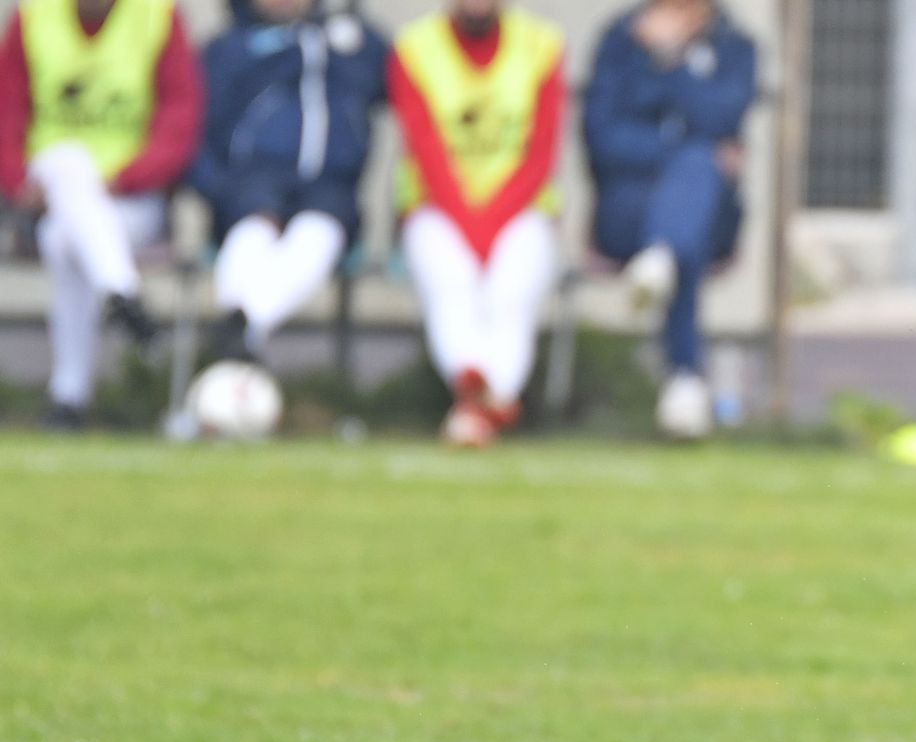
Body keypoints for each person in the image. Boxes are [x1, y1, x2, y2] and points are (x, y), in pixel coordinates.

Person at [0, 0, 200, 427]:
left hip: (130, 203)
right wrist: (20, 184)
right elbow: (7, 113)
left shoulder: (157, 15)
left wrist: (125, 178)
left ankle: (68, 396)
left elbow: (181, 118)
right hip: (46, 194)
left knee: (64, 238)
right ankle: (122, 294)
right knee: (69, 160)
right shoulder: (34, 15)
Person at [388, 0, 563, 447]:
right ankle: (482, 396)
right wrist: (471, 225)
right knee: (453, 281)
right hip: (437, 208)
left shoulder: (542, 46)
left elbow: (540, 154)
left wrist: (492, 222)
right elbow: (425, 150)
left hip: (521, 209)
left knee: (510, 289)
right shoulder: (414, 48)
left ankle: (483, 401)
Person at [583, 0, 753, 438]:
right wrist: (686, 153)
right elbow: (603, 139)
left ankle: (660, 260)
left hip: (712, 221)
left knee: (690, 205)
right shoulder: (620, 41)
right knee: (696, 177)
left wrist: (672, 60)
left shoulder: (736, 46)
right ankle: (685, 377)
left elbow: (724, 115)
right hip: (626, 213)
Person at [189, 0, 387, 367]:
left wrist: (351, 36)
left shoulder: (350, 41)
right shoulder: (230, 47)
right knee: (254, 224)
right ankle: (241, 332)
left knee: (319, 228)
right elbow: (197, 128)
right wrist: (217, 190)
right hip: (251, 179)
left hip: (332, 183)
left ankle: (242, 329)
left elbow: (386, 85)